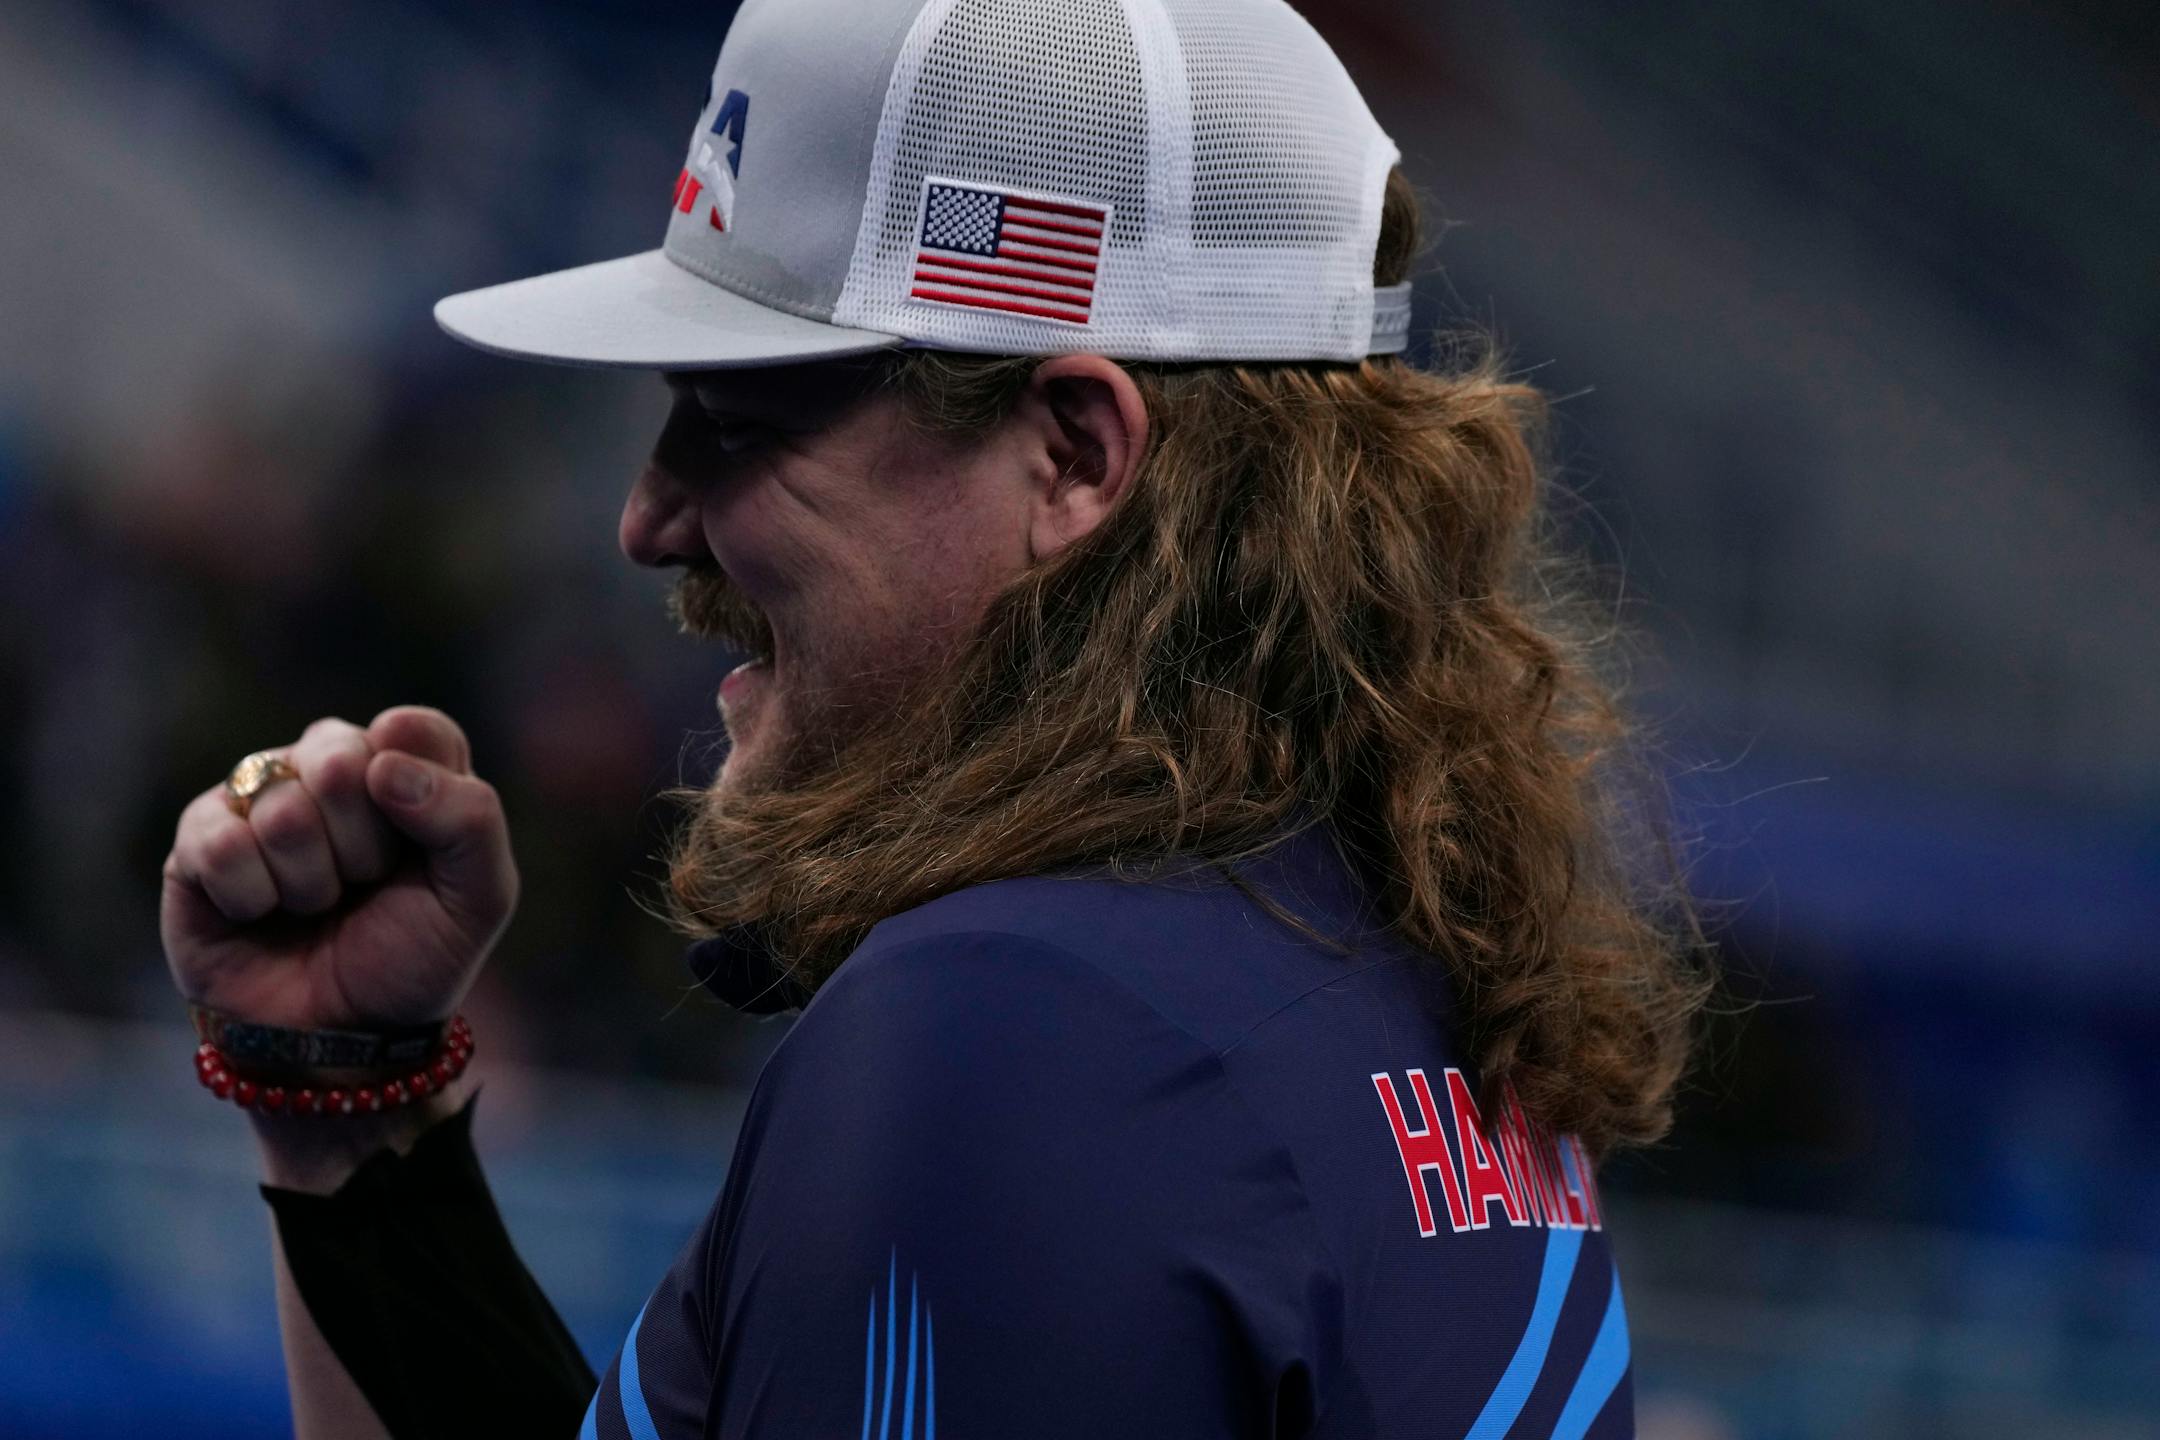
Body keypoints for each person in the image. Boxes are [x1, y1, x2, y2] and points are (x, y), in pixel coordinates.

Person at [160, 0, 1708, 1435]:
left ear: (1074, 455)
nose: (650, 519)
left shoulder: (1018, 1025)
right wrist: (345, 1105)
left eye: (739, 421)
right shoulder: (1370, 960)